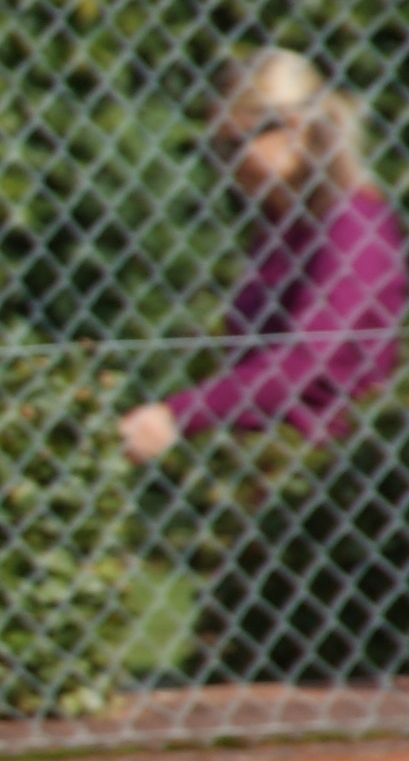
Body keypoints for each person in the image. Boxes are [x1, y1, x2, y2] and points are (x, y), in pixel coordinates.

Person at [118, 47, 404, 463]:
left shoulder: (352, 225)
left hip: (331, 460)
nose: (226, 165)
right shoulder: (283, 223)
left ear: (293, 128)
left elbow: (304, 358)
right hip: (266, 452)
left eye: (235, 145)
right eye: (218, 148)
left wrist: (175, 416)